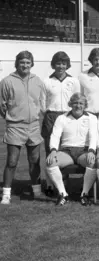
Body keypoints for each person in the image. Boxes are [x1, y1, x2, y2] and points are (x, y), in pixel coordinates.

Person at [0, 51, 46, 204]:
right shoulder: (7, 81)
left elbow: (40, 101)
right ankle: (6, 194)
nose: (25, 65)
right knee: (12, 162)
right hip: (15, 127)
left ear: (31, 64)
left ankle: (37, 191)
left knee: (34, 161)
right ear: (17, 63)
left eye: (28, 62)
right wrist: (12, 117)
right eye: (22, 62)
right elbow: (2, 105)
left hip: (33, 126)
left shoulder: (37, 80)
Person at [45, 93, 98, 206]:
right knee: (50, 162)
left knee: (93, 162)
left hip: (84, 151)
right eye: (75, 103)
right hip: (66, 151)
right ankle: (63, 194)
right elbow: (55, 136)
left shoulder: (92, 118)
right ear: (70, 104)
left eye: (81, 103)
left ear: (85, 105)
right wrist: (53, 150)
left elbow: (94, 136)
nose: (78, 106)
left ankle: (84, 194)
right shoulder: (61, 118)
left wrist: (92, 151)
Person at [40, 51, 81, 194]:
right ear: (53, 64)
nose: (61, 66)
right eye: (58, 63)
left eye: (63, 63)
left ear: (67, 65)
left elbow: (77, 99)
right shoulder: (46, 81)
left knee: (66, 148)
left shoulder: (74, 81)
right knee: (50, 150)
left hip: (68, 116)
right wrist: (49, 115)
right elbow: (42, 103)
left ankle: (64, 181)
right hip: (51, 115)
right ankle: (51, 184)